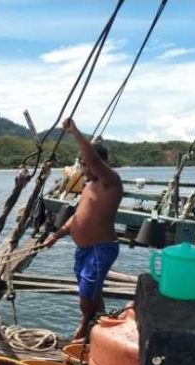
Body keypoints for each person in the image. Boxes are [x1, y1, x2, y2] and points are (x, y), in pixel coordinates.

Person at [43, 118, 123, 341]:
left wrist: (75, 133)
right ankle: (97, 324)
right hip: (84, 249)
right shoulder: (89, 185)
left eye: (86, 165)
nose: (84, 168)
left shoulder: (111, 182)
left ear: (100, 164)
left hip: (101, 248)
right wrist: (56, 236)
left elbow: (94, 160)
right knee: (92, 291)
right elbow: (77, 218)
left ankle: (84, 325)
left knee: (86, 293)